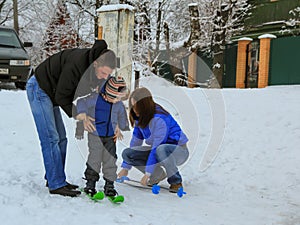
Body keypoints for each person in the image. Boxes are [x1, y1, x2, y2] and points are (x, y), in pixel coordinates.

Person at [26, 40, 117, 197]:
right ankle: (56, 183)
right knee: (51, 138)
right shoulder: (77, 66)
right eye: (104, 73)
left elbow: (102, 97)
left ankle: (55, 178)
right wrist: (80, 115)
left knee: (62, 139)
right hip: (39, 88)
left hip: (52, 92)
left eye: (108, 74)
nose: (105, 77)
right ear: (95, 64)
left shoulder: (96, 72)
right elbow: (63, 96)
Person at [117, 87, 189, 193]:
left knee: (161, 149)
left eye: (137, 106)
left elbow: (157, 147)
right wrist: (125, 168)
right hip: (159, 150)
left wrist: (147, 173)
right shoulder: (140, 117)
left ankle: (176, 182)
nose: (134, 110)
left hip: (178, 151)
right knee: (128, 153)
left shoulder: (160, 119)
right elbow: (135, 142)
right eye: (132, 106)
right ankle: (157, 175)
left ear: (145, 106)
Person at [76, 76, 129, 197]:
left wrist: (121, 127)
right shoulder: (95, 99)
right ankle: (90, 184)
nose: (117, 101)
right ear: (108, 93)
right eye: (116, 98)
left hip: (111, 137)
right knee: (94, 159)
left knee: (110, 160)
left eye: (120, 98)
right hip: (95, 135)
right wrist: (83, 114)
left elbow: (122, 115)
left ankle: (109, 185)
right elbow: (81, 102)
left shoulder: (118, 104)